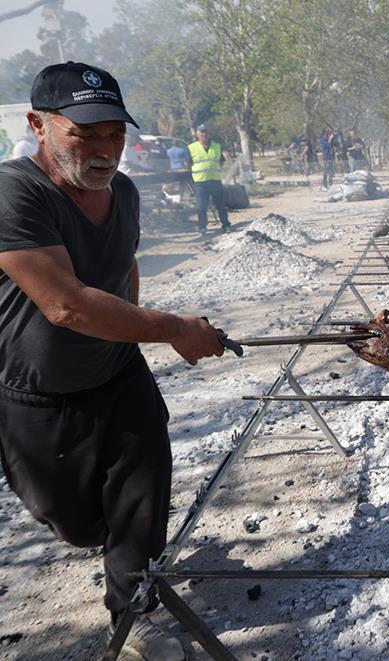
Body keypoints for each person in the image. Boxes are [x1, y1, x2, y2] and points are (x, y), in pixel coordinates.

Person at [0, 61, 230, 660]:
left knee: (140, 504)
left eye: (115, 134)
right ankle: (116, 553)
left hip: (120, 377)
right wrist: (174, 329)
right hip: (38, 396)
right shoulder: (14, 192)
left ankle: (134, 614)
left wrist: (130, 333)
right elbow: (66, 306)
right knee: (76, 523)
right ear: (39, 125)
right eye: (85, 134)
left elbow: (122, 267)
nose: (105, 150)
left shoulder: (123, 191)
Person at [187, 123, 230, 234]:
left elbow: (221, 161)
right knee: (202, 207)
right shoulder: (192, 148)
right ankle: (202, 227)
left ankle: (226, 225)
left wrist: (213, 170)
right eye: (201, 132)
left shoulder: (216, 146)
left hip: (215, 181)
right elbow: (188, 164)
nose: (204, 134)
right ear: (197, 134)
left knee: (221, 205)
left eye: (206, 132)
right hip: (200, 182)